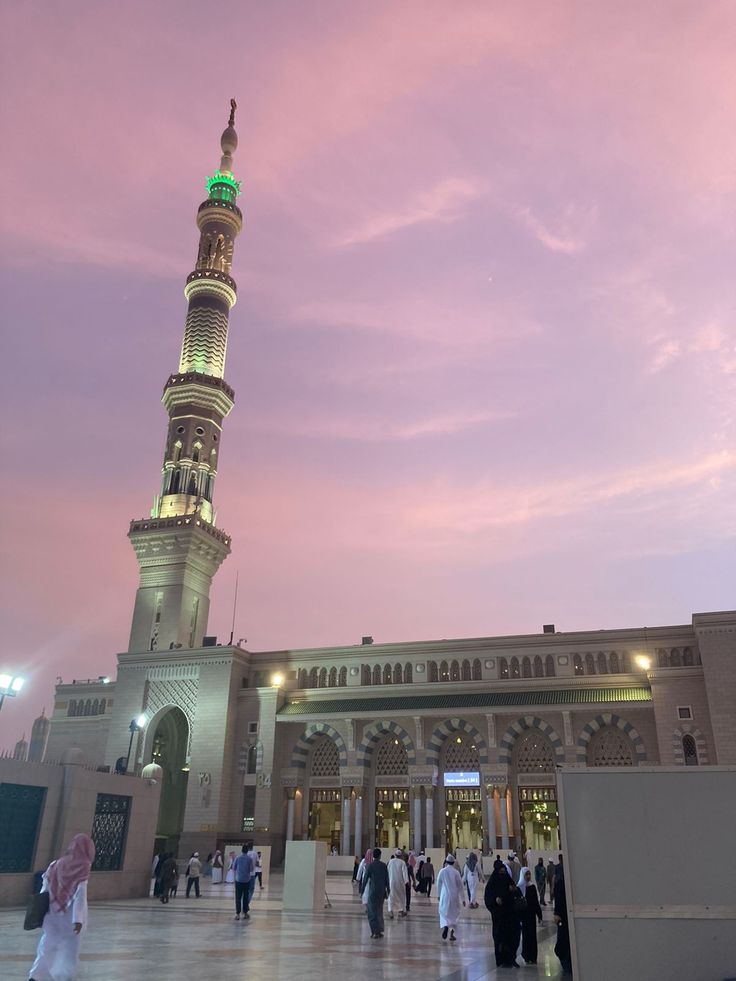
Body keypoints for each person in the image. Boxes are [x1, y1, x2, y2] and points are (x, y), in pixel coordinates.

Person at [28, 833, 95, 981]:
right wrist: (77, 920)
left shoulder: (55, 864)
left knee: (46, 946)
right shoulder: (83, 867)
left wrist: (41, 910)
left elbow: (44, 889)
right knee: (69, 949)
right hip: (69, 918)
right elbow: (80, 895)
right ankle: (63, 976)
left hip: (51, 914)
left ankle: (37, 975)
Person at [485, 858, 520, 969]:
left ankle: (511, 958)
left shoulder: (508, 880)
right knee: (500, 938)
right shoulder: (492, 883)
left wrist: (513, 890)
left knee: (512, 937)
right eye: (500, 871)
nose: (502, 872)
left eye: (503, 870)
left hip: (510, 915)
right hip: (499, 916)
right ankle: (501, 959)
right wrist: (495, 900)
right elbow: (488, 898)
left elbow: (517, 893)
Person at [360, 848, 389, 939]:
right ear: (380, 856)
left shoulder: (370, 866)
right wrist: (388, 890)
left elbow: (365, 880)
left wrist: (362, 890)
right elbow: (387, 879)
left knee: (372, 912)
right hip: (381, 892)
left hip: (373, 891)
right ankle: (379, 931)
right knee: (379, 911)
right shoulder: (383, 865)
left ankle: (374, 932)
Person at [437, 854, 465, 941]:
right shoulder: (456, 872)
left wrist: (438, 895)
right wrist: (463, 899)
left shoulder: (442, 871)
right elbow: (460, 886)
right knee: (454, 915)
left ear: (446, 862)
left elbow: (439, 883)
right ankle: (451, 934)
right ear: (453, 863)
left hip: (444, 895)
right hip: (454, 896)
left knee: (444, 913)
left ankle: (445, 925)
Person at [518, 867, 543, 964]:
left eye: (529, 874)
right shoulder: (519, 887)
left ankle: (533, 956)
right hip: (524, 917)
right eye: (526, 874)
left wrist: (539, 915)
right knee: (525, 936)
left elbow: (536, 902)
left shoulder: (532, 887)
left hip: (531, 915)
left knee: (532, 936)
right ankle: (526, 955)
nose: (528, 876)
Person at [553, 862, 572, 975]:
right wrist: (557, 913)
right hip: (563, 917)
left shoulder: (562, 882)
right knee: (563, 941)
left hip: (565, 916)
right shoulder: (561, 883)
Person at [232, 845, 255, 920]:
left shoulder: (237, 858)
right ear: (247, 850)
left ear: (241, 850)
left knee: (238, 897)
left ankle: (237, 914)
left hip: (238, 880)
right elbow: (251, 869)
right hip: (246, 880)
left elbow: (234, 868)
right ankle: (245, 913)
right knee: (245, 896)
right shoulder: (249, 859)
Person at [386, 848, 409, 918]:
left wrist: (386, 881)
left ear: (395, 855)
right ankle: (400, 911)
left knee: (391, 897)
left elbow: (387, 871)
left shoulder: (390, 861)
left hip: (391, 882)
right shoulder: (402, 862)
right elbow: (405, 873)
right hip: (400, 883)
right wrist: (407, 881)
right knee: (401, 897)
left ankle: (390, 912)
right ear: (401, 856)